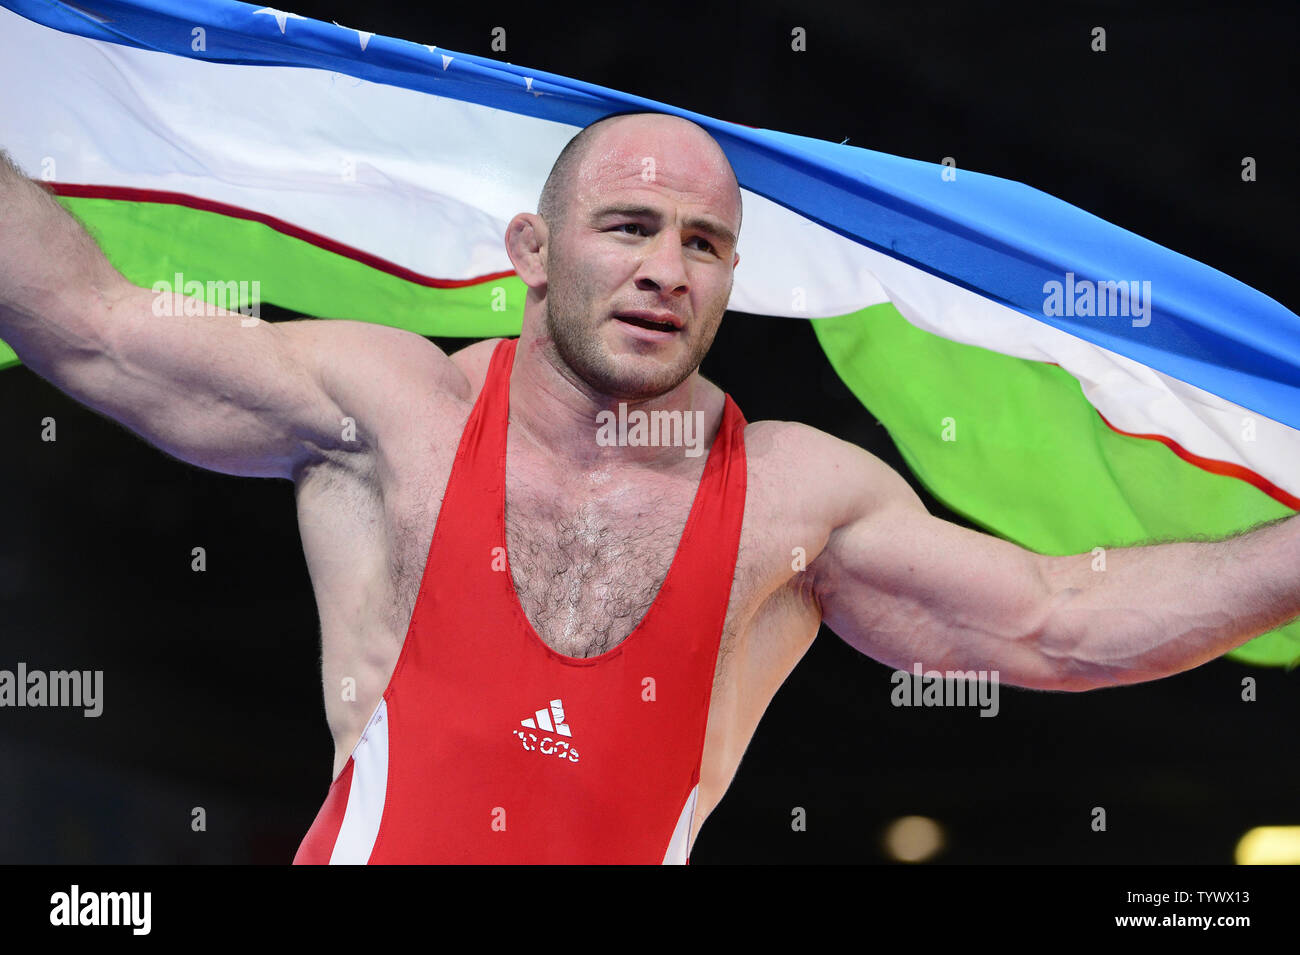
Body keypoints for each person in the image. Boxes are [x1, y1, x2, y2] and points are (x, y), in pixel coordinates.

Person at [1, 112, 1296, 864]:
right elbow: (90, 321)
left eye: (705, 243)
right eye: (629, 227)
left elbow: (1062, 623)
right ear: (533, 249)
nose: (667, 268)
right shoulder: (394, 410)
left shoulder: (800, 500)